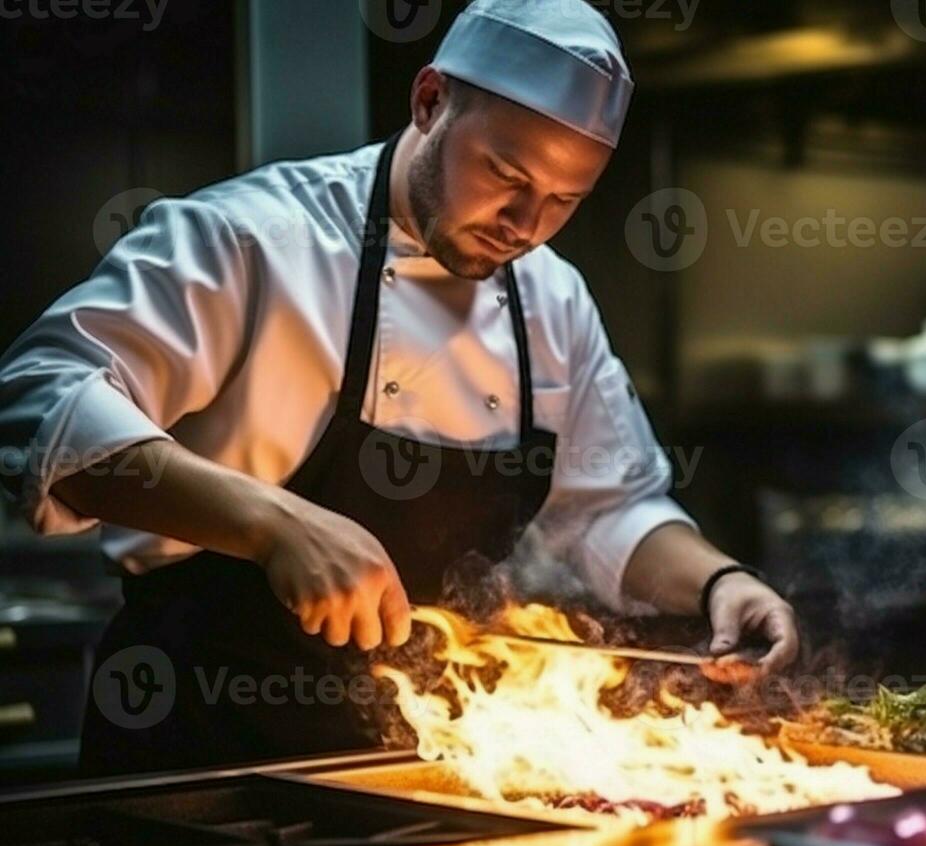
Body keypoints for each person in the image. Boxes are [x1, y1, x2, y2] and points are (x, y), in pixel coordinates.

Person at [0, 0, 797, 774]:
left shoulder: (551, 297)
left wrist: (719, 581)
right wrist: (270, 522)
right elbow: (39, 398)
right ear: (429, 100)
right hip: (205, 756)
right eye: (503, 173)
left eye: (563, 201)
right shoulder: (254, 239)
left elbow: (611, 507)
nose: (524, 223)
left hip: (421, 764)